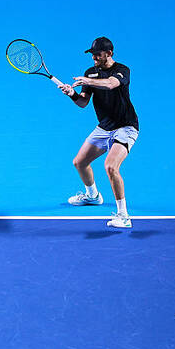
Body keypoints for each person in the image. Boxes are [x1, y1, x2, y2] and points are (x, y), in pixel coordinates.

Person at [59, 37, 139, 228]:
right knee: (79, 162)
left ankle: (124, 216)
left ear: (109, 53)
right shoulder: (90, 73)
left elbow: (111, 84)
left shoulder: (122, 70)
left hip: (125, 127)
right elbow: (83, 102)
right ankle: (93, 196)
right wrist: (72, 94)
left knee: (111, 167)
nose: (94, 58)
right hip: (104, 127)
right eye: (92, 54)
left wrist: (87, 80)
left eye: (97, 54)